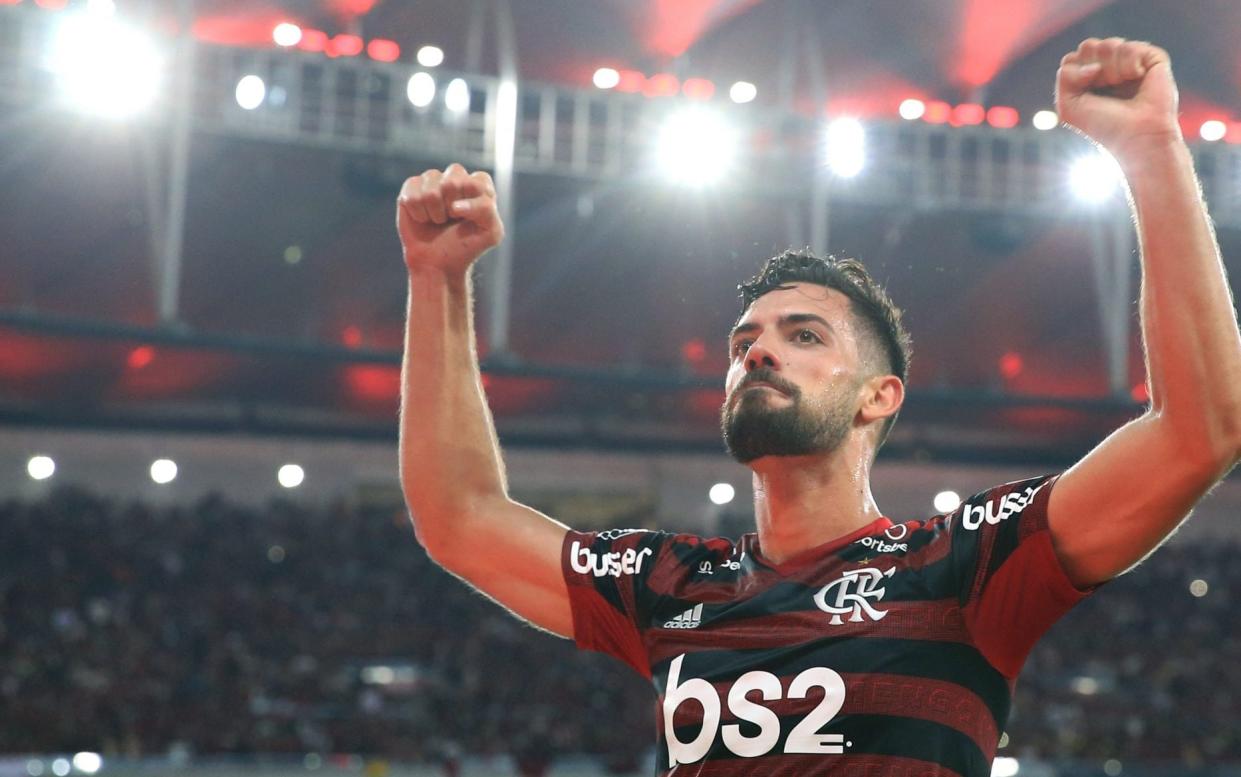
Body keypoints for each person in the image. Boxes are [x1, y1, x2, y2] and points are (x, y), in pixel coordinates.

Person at [393, 38, 1241, 776]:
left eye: (803, 336)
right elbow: (458, 516)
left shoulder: (960, 566)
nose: (757, 351)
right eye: (743, 342)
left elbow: (1201, 429)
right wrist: (437, 279)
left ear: (880, 397)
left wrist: (1151, 148)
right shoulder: (668, 584)